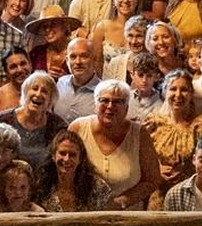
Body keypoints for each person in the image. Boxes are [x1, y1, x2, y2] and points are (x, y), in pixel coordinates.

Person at [68, 79, 161, 210]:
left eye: (118, 102)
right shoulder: (78, 128)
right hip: (84, 212)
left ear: (127, 108)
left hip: (128, 215)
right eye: (104, 100)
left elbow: (152, 180)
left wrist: (123, 201)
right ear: (95, 105)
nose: (110, 106)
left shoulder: (139, 134)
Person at [144, 70, 202, 207]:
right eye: (173, 89)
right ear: (165, 92)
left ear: (191, 94)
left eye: (184, 90)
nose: (178, 95)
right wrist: (156, 169)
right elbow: (142, 158)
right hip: (159, 197)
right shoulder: (154, 125)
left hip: (193, 197)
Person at [0, 71, 66, 169]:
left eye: (45, 91)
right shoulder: (3, 120)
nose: (38, 94)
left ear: (50, 101)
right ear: (25, 92)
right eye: (35, 88)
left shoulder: (58, 126)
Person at [89, 0, 141, 78]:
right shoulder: (103, 27)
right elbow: (96, 62)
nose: (125, 1)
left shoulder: (145, 29)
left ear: (137, 0)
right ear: (113, 1)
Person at [0, 46, 32, 126]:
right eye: (13, 67)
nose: (19, 70)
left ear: (30, 64)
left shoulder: (44, 89)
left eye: (23, 64)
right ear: (6, 72)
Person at [54, 36, 98, 123]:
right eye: (73, 57)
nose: (78, 62)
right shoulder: (60, 83)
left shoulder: (102, 92)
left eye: (84, 56)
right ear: (67, 61)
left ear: (94, 59)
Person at [105, 14, 149, 82]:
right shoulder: (115, 63)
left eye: (139, 36)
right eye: (130, 36)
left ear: (147, 37)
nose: (134, 41)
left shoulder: (155, 62)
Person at [126, 50, 164, 120]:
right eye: (140, 75)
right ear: (132, 75)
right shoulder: (126, 99)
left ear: (156, 77)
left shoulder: (162, 104)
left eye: (149, 76)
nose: (144, 80)